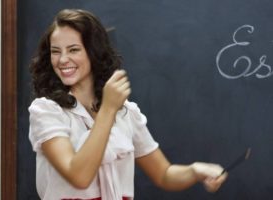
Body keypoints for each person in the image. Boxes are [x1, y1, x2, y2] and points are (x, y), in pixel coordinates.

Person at [28, 8, 227, 200]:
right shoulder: (46, 111)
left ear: (94, 52)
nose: (63, 59)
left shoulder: (126, 113)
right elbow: (79, 176)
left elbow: (164, 174)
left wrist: (194, 171)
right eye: (56, 51)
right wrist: (107, 109)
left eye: (73, 50)